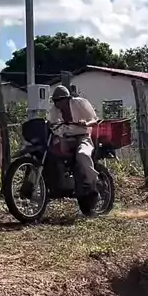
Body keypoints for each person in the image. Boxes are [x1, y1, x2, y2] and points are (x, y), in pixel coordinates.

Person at [49, 84, 99, 212]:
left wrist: (86, 123)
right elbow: (52, 123)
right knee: (52, 153)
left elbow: (94, 120)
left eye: (60, 100)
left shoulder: (80, 103)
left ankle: (92, 182)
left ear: (67, 99)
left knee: (82, 155)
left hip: (83, 136)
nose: (58, 103)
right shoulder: (55, 110)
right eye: (55, 101)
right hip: (66, 138)